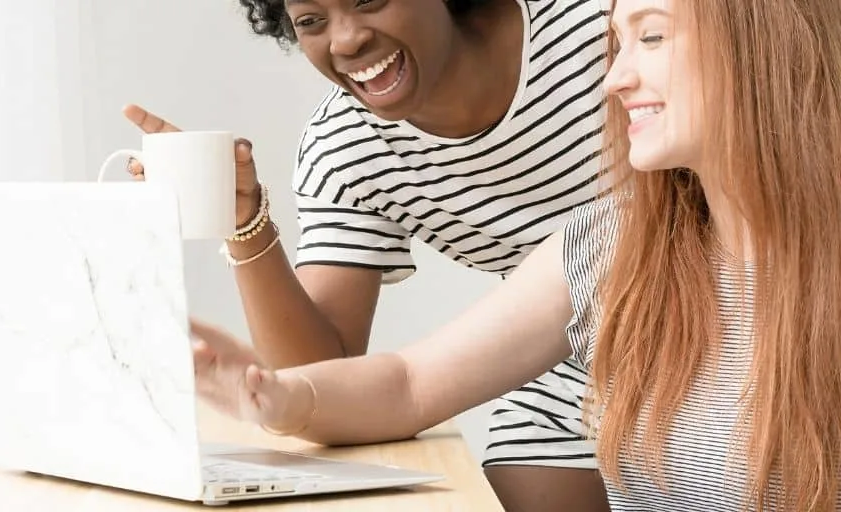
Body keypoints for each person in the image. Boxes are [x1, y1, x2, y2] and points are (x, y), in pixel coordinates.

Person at [188, 0, 841, 509]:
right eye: (618, 43)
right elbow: (409, 384)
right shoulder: (607, 247)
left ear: (761, 47)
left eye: (650, 37)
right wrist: (273, 397)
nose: (612, 76)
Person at [124, 1, 611, 509]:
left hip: (697, 334)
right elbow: (323, 382)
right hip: (572, 360)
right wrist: (245, 223)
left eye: (370, 0)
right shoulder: (346, 148)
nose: (346, 41)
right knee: (522, 472)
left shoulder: (612, 31)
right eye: (311, 21)